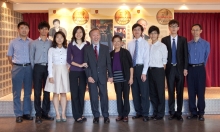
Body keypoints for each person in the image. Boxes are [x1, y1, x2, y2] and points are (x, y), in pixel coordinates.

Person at [84, 28, 113, 124]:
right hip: (91, 77)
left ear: (100, 36)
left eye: (97, 35)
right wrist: (88, 76)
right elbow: (85, 64)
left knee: (104, 96)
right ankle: (96, 116)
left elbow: (108, 63)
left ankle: (106, 115)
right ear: (90, 37)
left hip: (103, 77)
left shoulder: (105, 48)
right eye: (93, 35)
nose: (96, 37)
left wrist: (110, 75)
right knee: (93, 97)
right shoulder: (87, 49)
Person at [161, 19, 188, 121]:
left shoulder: (183, 39)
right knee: (171, 91)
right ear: (169, 28)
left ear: (178, 28)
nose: (173, 28)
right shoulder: (164, 40)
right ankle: (172, 112)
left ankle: (179, 112)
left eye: (175, 26)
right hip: (170, 68)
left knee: (180, 91)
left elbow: (185, 55)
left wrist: (185, 68)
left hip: (180, 69)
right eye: (171, 26)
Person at [7, 21, 33, 123]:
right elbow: (9, 56)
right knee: (16, 92)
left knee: (28, 92)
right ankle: (18, 114)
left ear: (28, 30)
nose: (24, 30)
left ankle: (26, 113)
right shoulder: (13, 42)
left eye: (26, 28)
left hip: (28, 68)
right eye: (22, 28)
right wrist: (15, 66)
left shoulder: (31, 42)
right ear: (18, 29)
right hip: (17, 68)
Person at [29, 21, 54, 124]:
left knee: (47, 91)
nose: (44, 31)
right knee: (37, 91)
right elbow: (31, 57)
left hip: (48, 68)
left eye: (46, 29)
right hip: (38, 67)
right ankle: (38, 114)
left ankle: (45, 112)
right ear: (38, 30)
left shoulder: (51, 43)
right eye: (42, 29)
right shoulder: (33, 43)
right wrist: (34, 69)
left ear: (48, 30)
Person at [44, 31, 70, 122]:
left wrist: (69, 67)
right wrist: (50, 75)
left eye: (61, 37)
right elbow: (50, 63)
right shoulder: (51, 49)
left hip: (64, 71)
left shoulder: (67, 49)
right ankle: (57, 114)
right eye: (57, 37)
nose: (59, 39)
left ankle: (63, 113)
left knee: (63, 93)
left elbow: (69, 61)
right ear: (55, 39)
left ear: (64, 39)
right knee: (55, 93)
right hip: (54, 71)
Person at [186, 24, 210, 121]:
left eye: (197, 30)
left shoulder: (206, 44)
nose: (195, 32)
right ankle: (193, 112)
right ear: (191, 31)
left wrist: (200, 65)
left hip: (200, 69)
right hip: (190, 69)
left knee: (200, 92)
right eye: (193, 30)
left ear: (201, 31)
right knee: (191, 92)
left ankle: (201, 113)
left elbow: (206, 57)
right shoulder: (188, 44)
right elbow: (186, 57)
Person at [67, 26, 90, 123]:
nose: (79, 34)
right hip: (73, 72)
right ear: (74, 33)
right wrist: (80, 65)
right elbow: (69, 60)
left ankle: (81, 113)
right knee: (74, 93)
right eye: (76, 32)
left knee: (82, 93)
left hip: (84, 73)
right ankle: (76, 115)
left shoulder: (87, 44)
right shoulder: (70, 45)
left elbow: (90, 57)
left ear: (83, 33)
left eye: (80, 32)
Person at [127, 23, 150, 122]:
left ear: (141, 32)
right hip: (133, 69)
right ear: (132, 31)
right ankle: (138, 112)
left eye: (138, 30)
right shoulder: (130, 43)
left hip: (142, 69)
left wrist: (144, 73)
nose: (136, 31)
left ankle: (145, 113)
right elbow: (129, 59)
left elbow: (147, 59)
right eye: (135, 29)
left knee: (144, 92)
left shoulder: (145, 43)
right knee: (135, 92)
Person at [110, 35, 133, 122]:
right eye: (114, 41)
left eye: (118, 41)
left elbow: (131, 66)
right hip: (116, 79)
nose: (116, 43)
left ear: (121, 42)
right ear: (112, 43)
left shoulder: (125, 52)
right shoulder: (111, 54)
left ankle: (126, 114)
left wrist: (131, 78)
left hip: (125, 78)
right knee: (118, 96)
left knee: (126, 96)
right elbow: (109, 66)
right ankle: (120, 114)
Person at [148, 26, 168, 120]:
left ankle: (160, 114)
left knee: (160, 93)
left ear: (158, 34)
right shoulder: (149, 45)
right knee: (152, 93)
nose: (153, 35)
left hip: (159, 71)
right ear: (149, 35)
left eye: (155, 33)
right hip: (150, 71)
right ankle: (155, 112)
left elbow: (164, 62)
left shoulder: (162, 46)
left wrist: (161, 73)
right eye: (151, 33)